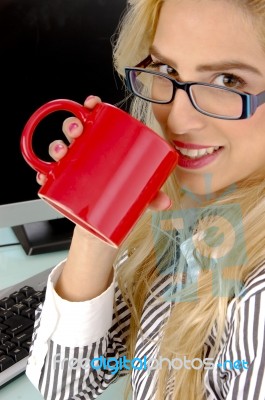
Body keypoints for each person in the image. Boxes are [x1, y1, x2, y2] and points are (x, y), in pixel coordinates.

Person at [26, 0, 265, 399]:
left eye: (228, 81)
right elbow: (63, 384)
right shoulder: (190, 221)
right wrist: (96, 222)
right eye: (167, 71)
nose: (176, 119)